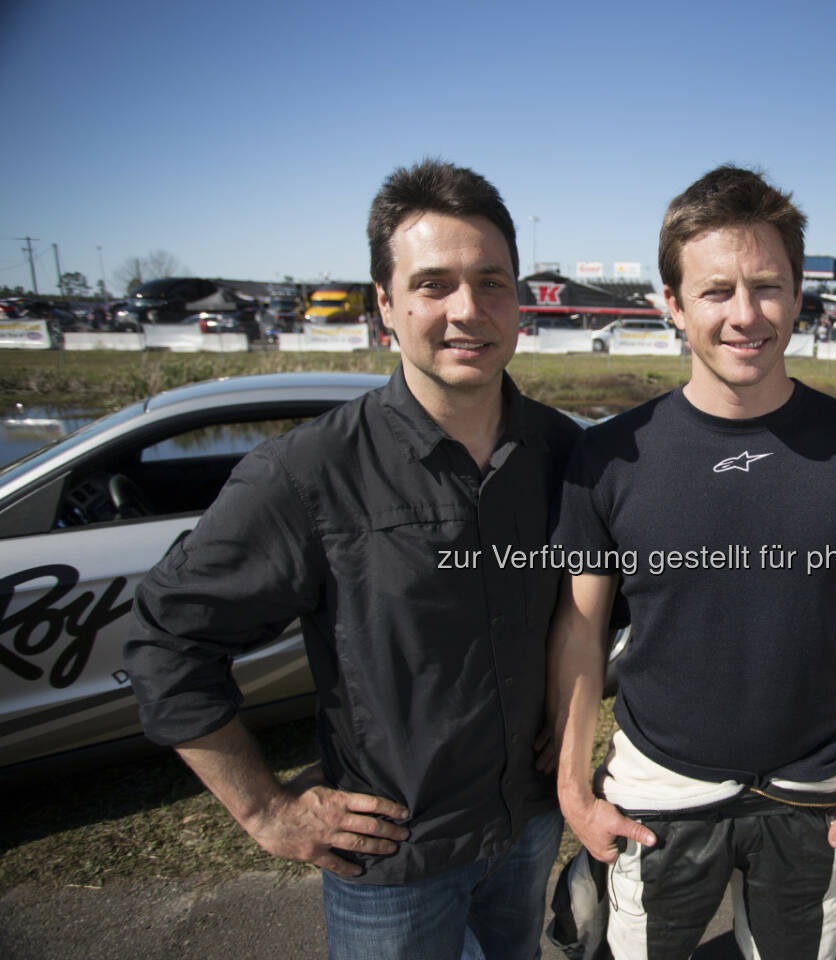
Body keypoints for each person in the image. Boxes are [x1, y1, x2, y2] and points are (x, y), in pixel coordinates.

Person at [124, 159, 580, 960]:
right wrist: (267, 811)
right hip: (395, 867)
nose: (467, 310)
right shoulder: (306, 475)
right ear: (386, 305)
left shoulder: (567, 451)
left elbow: (610, 604)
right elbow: (167, 641)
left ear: (520, 303)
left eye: (492, 282)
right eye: (434, 284)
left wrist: (570, 707)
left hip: (528, 827)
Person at [547, 165, 836, 959]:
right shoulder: (607, 457)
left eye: (768, 287)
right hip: (661, 789)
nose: (746, 315)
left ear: (798, 293)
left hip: (813, 788)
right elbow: (579, 632)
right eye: (717, 291)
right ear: (674, 305)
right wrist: (574, 790)